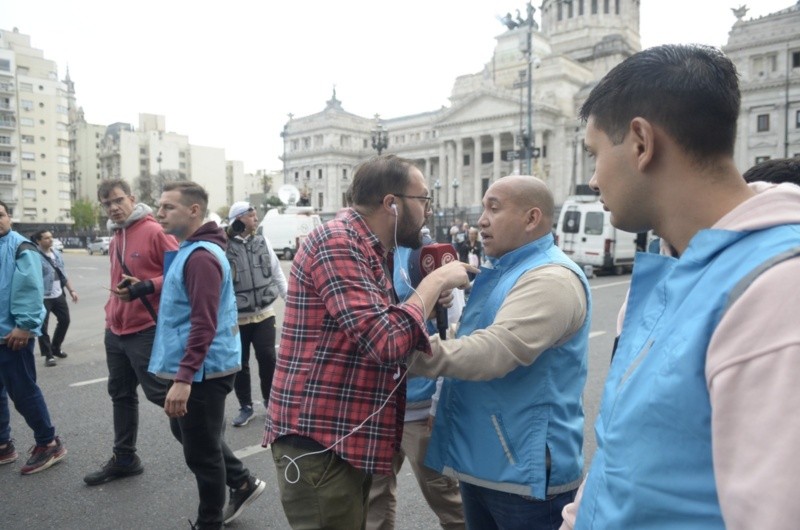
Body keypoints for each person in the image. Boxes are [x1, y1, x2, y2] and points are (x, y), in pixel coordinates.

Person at [561, 44, 800, 529]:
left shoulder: (778, 290)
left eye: (594, 153)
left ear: (640, 143)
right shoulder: (666, 271)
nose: (592, 178)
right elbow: (620, 451)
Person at [265, 154, 475, 530]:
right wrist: (435, 283)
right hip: (319, 440)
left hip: (342, 435)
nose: (428, 210)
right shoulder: (338, 241)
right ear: (392, 204)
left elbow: (373, 326)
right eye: (423, 199)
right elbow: (386, 340)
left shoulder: (366, 247)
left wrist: (424, 306)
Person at [409, 175, 591, 530]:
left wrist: (405, 353)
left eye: (494, 208)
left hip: (526, 475)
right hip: (489, 464)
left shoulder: (550, 277)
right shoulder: (506, 270)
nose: (481, 220)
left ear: (531, 218)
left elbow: (495, 351)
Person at [149, 181, 265, 529]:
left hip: (203, 372)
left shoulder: (201, 256)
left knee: (201, 453)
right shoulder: (192, 249)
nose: (159, 213)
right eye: (160, 206)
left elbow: (204, 323)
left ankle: (209, 521)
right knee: (192, 436)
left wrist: (184, 379)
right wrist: (143, 287)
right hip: (198, 368)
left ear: (193, 210)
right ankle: (242, 482)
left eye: (168, 207)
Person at [366, 232, 466, 530]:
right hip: (377, 406)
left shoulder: (427, 253)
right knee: (374, 502)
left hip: (419, 407)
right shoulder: (363, 251)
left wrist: (439, 401)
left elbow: (454, 331)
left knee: (448, 500)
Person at [84, 179, 178, 486]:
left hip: (146, 330)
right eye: (106, 203)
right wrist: (111, 316)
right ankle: (125, 458)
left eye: (118, 200)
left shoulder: (154, 231)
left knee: (162, 395)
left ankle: (213, 453)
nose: (113, 208)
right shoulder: (115, 237)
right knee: (121, 395)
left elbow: (180, 272)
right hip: (116, 330)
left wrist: (145, 287)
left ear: (132, 198)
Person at [0, 200, 67, 474]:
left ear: (9, 218)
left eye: (1, 215)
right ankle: (4, 445)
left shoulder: (20, 246)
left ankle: (48, 442)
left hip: (13, 334)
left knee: (23, 390)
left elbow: (30, 287)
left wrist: (26, 326)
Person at [224, 201, 287, 427]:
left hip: (264, 314)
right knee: (240, 364)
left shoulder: (263, 242)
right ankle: (246, 406)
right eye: (251, 215)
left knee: (268, 358)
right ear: (239, 218)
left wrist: (292, 303)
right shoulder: (224, 246)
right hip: (237, 318)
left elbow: (278, 274)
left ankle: (271, 403)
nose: (256, 219)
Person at [30, 230, 78, 367]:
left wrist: (71, 290)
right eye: (46, 238)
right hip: (43, 296)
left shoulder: (56, 253)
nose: (50, 240)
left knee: (65, 320)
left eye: (51, 237)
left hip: (58, 294)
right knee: (43, 327)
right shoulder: (34, 256)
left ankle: (56, 347)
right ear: (39, 241)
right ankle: (48, 355)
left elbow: (63, 274)